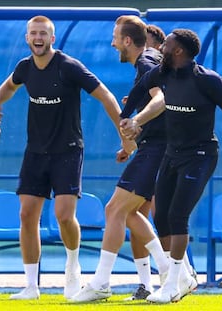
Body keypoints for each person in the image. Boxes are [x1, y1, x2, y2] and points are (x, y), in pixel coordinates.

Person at [0, 15, 135, 300]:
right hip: (35, 152)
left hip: (68, 150)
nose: (38, 38)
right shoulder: (24, 67)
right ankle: (32, 286)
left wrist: (124, 135)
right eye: (33, 33)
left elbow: (107, 97)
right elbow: (8, 87)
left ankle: (73, 267)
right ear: (27, 38)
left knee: (63, 215)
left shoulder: (69, 66)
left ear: (52, 38)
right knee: (26, 214)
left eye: (43, 34)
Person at [120, 28, 222, 303]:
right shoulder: (162, 73)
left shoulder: (208, 80)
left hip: (201, 154)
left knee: (178, 216)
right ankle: (180, 279)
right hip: (172, 153)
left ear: (178, 51)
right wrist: (125, 116)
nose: (160, 48)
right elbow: (140, 88)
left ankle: (172, 285)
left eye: (166, 44)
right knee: (162, 216)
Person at [71, 15, 170, 303]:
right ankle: (167, 271)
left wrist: (136, 119)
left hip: (156, 149)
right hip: (153, 147)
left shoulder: (146, 61)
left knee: (115, 210)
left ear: (128, 41)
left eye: (116, 38)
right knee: (128, 213)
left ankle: (102, 283)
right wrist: (132, 140)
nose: (113, 43)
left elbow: (161, 99)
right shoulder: (148, 61)